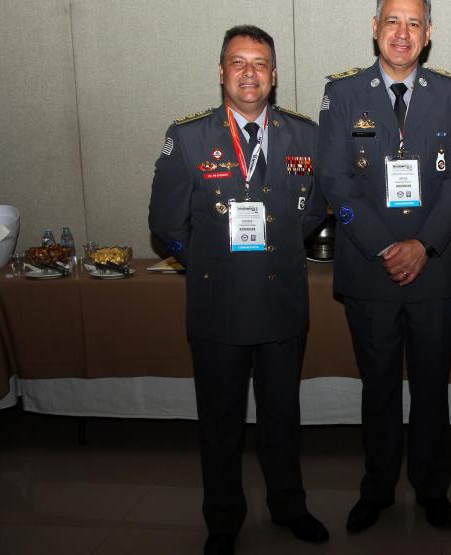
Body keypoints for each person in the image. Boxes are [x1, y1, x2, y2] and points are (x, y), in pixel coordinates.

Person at [148, 25, 329, 554]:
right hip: (217, 305)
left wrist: (277, 249)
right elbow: (166, 223)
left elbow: (315, 209)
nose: (249, 73)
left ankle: (289, 506)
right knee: (221, 421)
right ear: (222, 72)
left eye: (260, 63)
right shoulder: (188, 137)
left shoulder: (306, 135)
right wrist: (210, 264)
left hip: (281, 302)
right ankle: (223, 520)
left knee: (282, 417)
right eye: (238, 62)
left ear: (274, 75)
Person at [316, 0, 451, 533]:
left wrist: (423, 246)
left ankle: (433, 488)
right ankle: (378, 488)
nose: (402, 33)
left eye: (413, 23)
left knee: (431, 387)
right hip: (370, 271)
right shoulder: (342, 94)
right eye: (392, 21)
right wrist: (387, 247)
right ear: (375, 28)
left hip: (434, 270)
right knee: (378, 386)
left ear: (428, 33)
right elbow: (334, 183)